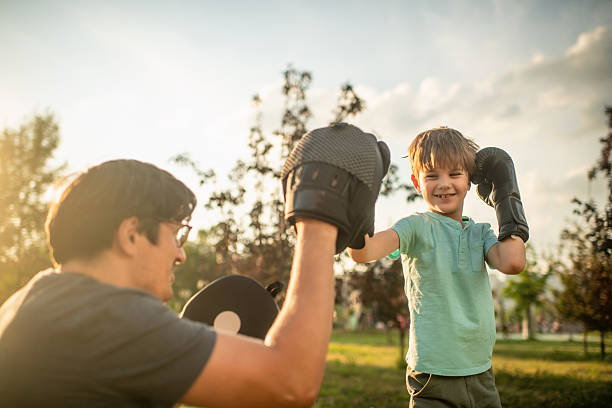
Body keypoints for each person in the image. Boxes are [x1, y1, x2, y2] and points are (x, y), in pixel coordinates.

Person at [0, 122, 389, 407]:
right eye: (177, 234)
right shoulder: (101, 316)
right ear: (132, 234)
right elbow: (291, 384)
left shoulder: (41, 299)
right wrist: (320, 219)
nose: (181, 253)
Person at [349, 126, 528, 408]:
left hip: (481, 371)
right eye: (432, 176)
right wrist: (357, 200)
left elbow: (513, 262)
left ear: (469, 180)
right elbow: (364, 252)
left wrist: (507, 195)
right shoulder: (416, 227)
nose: (444, 183)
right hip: (433, 375)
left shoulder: (481, 233)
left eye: (454, 174)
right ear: (417, 183)